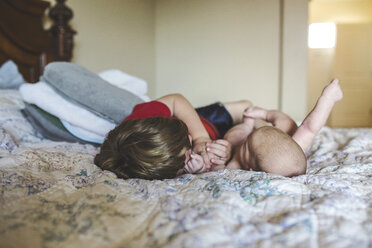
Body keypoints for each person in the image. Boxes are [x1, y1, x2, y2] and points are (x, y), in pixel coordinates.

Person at [185, 78, 343, 177]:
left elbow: (213, 168)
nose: (245, 139)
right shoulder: (291, 152)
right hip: (270, 133)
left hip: (248, 128)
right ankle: (264, 115)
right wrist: (326, 100)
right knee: (292, 128)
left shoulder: (234, 166)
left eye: (246, 145)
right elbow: (310, 128)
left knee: (237, 135)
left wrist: (198, 166)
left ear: (251, 170)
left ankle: (249, 120)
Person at [94, 92, 252, 180]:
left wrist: (200, 138)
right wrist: (199, 168)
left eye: (187, 140)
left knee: (247, 107)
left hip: (201, 121)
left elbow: (176, 100)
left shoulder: (144, 119)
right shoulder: (155, 168)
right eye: (188, 156)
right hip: (221, 136)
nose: (190, 140)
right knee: (250, 136)